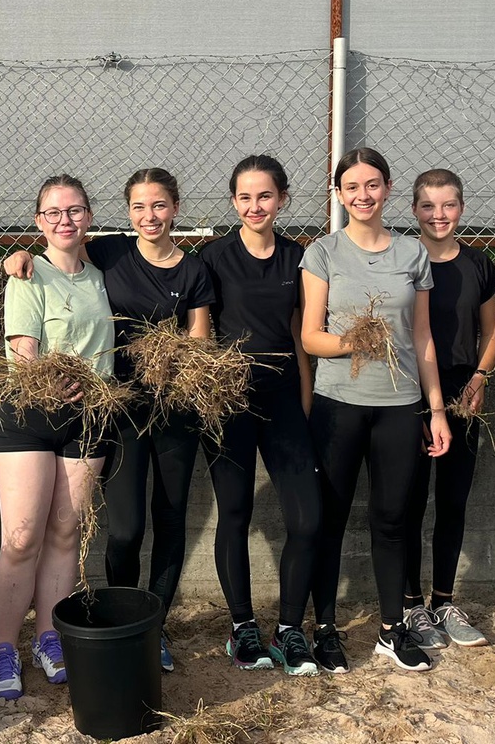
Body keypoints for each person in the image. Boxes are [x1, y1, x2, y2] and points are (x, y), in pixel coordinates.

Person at [5, 168, 214, 671]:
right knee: (123, 528)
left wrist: (174, 363)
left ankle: (154, 628)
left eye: (160, 206)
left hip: (173, 407)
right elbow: (55, 252)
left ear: (176, 208)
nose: (150, 216)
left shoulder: (195, 269)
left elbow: (200, 338)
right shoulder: (113, 252)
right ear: (125, 213)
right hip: (117, 409)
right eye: (140, 207)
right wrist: (18, 256)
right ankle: (121, 616)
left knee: (168, 519)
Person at [300, 147, 450, 674]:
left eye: (372, 185)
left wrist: (436, 408)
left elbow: (423, 336)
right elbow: (311, 337)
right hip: (339, 405)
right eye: (351, 187)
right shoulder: (322, 253)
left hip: (401, 406)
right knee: (330, 520)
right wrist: (354, 343)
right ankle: (324, 628)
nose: (362, 196)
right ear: (338, 194)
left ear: (387, 190)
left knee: (392, 520)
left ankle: (391, 629)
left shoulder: (413, 254)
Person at [0, 174, 115, 701]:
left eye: (76, 210)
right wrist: (54, 388)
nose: (66, 220)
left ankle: (48, 638)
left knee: (66, 533)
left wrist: (89, 394)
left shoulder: (101, 275)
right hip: (32, 413)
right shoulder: (27, 272)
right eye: (54, 212)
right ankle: (3, 648)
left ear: (89, 217)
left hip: (91, 415)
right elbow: (24, 353)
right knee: (21, 538)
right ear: (39, 221)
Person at [197, 155, 321, 676]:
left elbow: (300, 334)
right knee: (236, 513)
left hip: (284, 395)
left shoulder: (301, 257)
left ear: (282, 200)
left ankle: (290, 628)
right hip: (228, 399)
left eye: (265, 196)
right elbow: (200, 333)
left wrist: (305, 398)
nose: (255, 206)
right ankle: (242, 627)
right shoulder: (212, 257)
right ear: (233, 202)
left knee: (307, 518)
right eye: (245, 197)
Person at [402, 168, 495, 652]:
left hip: (463, 393)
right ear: (414, 210)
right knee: (407, 501)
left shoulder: (479, 265)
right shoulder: (403, 259)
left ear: (461, 208)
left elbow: (492, 334)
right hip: (410, 391)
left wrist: (480, 378)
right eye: (428, 206)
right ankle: (410, 605)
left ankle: (444, 601)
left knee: (453, 499)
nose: (438, 215)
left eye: (447, 206)